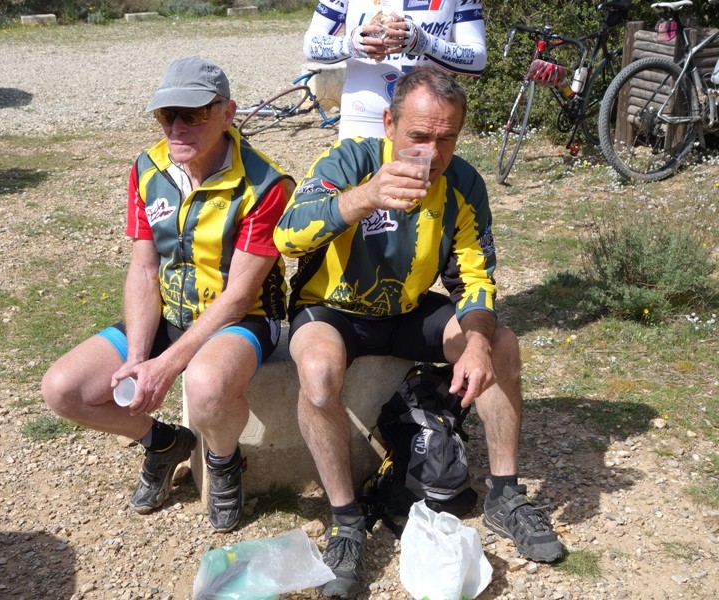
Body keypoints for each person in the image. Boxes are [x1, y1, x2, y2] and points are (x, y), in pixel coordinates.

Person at [274, 66, 564, 598]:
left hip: (405, 309)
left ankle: (504, 495)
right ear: (388, 123)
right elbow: (288, 236)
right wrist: (365, 197)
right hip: (333, 309)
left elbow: (474, 277)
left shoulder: (463, 184)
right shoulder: (350, 160)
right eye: (419, 136)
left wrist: (476, 344)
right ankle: (346, 521)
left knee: (500, 342)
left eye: (446, 138)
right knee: (316, 372)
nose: (431, 152)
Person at [42, 56, 294, 534]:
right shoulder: (147, 167)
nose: (176, 128)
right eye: (166, 115)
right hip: (170, 312)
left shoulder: (265, 185)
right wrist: (139, 357)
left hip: (242, 319)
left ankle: (223, 461)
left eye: (192, 114)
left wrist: (167, 365)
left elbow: (239, 296)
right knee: (63, 389)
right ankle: (162, 443)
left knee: (205, 386)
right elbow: (144, 267)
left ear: (227, 113)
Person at [303, 0, 486, 140]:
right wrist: (351, 44)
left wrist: (425, 43)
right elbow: (310, 46)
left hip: (426, 122)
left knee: (418, 181)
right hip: (362, 116)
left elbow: (477, 60)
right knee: (360, 180)